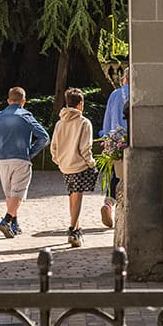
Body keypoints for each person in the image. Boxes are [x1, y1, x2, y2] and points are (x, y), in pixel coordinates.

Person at [0, 86, 50, 239]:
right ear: (23, 101)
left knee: (10, 193)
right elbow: (44, 137)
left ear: (8, 100)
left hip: (3, 159)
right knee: (18, 193)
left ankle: (14, 224)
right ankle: (6, 220)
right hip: (21, 157)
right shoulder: (26, 116)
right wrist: (31, 152)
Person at [50, 88, 98, 247]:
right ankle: (73, 230)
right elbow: (86, 148)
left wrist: (59, 160)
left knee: (72, 196)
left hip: (65, 165)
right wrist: (91, 163)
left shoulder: (59, 123)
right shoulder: (84, 122)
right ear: (80, 104)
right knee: (77, 197)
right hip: (78, 165)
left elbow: (54, 146)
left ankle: (77, 228)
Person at [99, 71, 129, 228]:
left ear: (124, 79)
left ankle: (109, 203)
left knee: (114, 176)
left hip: (115, 139)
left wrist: (106, 138)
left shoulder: (116, 94)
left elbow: (108, 118)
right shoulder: (137, 91)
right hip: (134, 138)